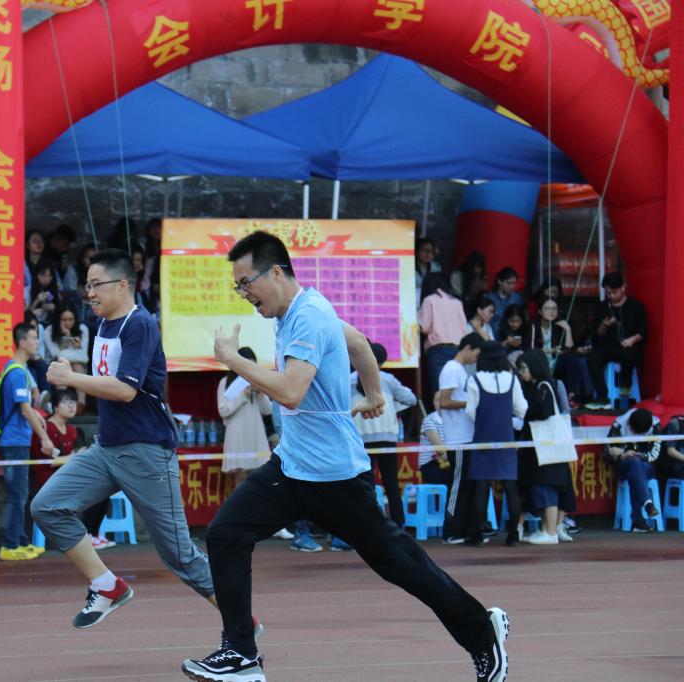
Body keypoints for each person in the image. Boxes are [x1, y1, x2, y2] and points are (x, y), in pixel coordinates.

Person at [182, 231, 509, 682]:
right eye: (237, 287)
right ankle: (241, 653)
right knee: (225, 534)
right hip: (292, 467)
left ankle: (482, 632)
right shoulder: (297, 312)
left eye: (245, 283)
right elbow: (357, 342)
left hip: (335, 477)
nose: (243, 294)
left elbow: (291, 392)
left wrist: (233, 359)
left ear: (274, 272)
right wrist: (374, 392)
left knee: (401, 565)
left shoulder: (309, 316)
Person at [33, 249, 220, 630]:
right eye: (86, 285)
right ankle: (107, 586)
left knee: (180, 555)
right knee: (47, 506)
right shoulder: (102, 324)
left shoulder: (140, 325)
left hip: (146, 454)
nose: (89, 293)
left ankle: (241, 624)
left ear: (122, 285)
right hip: (106, 449)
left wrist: (71, 378)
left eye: (96, 284)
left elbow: (125, 390)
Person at [0, 324, 54, 561]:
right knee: (17, 495)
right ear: (21, 342)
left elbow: (27, 408)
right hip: (14, 441)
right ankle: (9, 546)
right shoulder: (17, 372)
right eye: (33, 338)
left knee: (19, 494)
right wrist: (45, 437)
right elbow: (25, 409)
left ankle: (20, 541)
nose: (36, 342)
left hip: (17, 440)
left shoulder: (16, 369)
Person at [30, 389, 113, 551]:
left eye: (73, 402)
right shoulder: (47, 428)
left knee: (102, 489)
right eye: (66, 402)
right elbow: (50, 462)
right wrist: (75, 457)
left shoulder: (72, 430)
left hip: (67, 475)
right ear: (55, 406)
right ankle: (86, 534)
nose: (71, 406)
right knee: (91, 490)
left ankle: (93, 534)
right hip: (49, 478)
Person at [464, 342, 527, 548]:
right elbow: (522, 409)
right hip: (506, 439)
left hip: (482, 439)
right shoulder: (512, 379)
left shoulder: (475, 379)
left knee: (481, 488)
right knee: (511, 487)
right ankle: (513, 536)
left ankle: (477, 536)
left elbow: (470, 411)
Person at [350, 342, 416, 527]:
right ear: (381, 361)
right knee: (391, 484)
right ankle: (398, 525)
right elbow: (411, 399)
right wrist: (393, 406)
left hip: (360, 439)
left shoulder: (349, 379)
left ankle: (370, 525)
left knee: (365, 486)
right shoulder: (387, 379)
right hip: (387, 438)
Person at [516, 351, 576, 545]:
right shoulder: (539, 385)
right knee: (544, 488)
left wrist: (524, 412)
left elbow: (544, 412)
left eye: (524, 368)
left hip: (545, 449)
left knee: (546, 488)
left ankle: (550, 532)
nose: (521, 373)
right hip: (543, 450)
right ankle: (546, 529)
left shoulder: (543, 386)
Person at [439, 333, 483, 544]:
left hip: (466, 436)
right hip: (457, 437)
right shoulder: (452, 369)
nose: (476, 359)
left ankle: (463, 529)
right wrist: (470, 403)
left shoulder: (460, 370)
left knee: (466, 485)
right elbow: (444, 401)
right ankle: (451, 530)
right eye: (476, 354)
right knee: (458, 485)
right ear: (467, 348)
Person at [587, 272, 647, 408]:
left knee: (628, 354)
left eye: (614, 292)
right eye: (608, 293)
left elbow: (643, 332)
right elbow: (597, 335)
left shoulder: (636, 306)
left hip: (629, 346)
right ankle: (602, 395)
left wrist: (632, 339)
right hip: (608, 346)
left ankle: (625, 384)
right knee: (593, 358)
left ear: (623, 287)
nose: (612, 296)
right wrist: (604, 326)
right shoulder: (602, 307)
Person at [217, 347, 273, 490]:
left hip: (255, 434)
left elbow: (268, 410)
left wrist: (261, 394)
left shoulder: (257, 382)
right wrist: (243, 395)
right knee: (241, 477)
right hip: (238, 435)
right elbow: (223, 410)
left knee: (258, 477)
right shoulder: (225, 382)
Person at [604, 407, 661, 533]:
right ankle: (646, 507)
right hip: (623, 465)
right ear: (629, 425)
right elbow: (607, 454)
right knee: (635, 466)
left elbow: (654, 455)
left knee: (636, 468)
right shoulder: (618, 425)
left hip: (646, 465)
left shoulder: (655, 425)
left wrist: (635, 455)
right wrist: (623, 454)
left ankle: (639, 519)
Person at [418, 272, 467, 396]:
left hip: (437, 350)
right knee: (458, 392)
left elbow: (424, 327)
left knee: (440, 393)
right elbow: (464, 329)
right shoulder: (457, 302)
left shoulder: (429, 300)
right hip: (458, 350)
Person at [43, 300, 91, 412]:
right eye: (64, 320)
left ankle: (81, 403)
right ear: (58, 319)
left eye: (70, 319)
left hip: (78, 366)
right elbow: (57, 355)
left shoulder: (83, 329)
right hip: (53, 365)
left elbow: (85, 357)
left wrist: (77, 351)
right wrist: (67, 338)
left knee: (78, 365)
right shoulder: (49, 331)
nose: (68, 323)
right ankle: (61, 403)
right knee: (62, 365)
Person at [528, 299, 573, 373]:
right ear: (540, 311)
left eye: (554, 308)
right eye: (547, 308)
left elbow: (568, 348)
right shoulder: (533, 325)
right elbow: (531, 350)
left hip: (555, 362)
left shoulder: (558, 326)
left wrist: (568, 329)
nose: (551, 311)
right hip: (539, 360)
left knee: (572, 359)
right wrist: (551, 350)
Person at [419, 391, 451, 487]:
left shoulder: (456, 420)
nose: (441, 403)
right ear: (433, 403)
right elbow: (441, 450)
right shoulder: (429, 420)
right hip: (432, 464)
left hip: (451, 460)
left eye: (443, 399)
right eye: (437, 400)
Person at [486, 268, 524, 336]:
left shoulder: (516, 298)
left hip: (512, 337)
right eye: (508, 283)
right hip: (494, 336)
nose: (511, 286)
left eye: (514, 283)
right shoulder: (490, 298)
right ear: (499, 281)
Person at [28, 258, 61, 325]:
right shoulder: (27, 290)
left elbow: (61, 310)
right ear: (36, 275)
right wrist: (36, 301)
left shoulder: (53, 290)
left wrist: (54, 308)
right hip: (31, 325)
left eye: (49, 276)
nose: (46, 279)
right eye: (42, 275)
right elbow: (23, 315)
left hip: (49, 325)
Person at [414, 236, 442, 304]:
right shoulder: (409, 266)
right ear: (416, 251)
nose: (427, 253)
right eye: (423, 250)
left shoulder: (435, 266)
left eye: (430, 251)